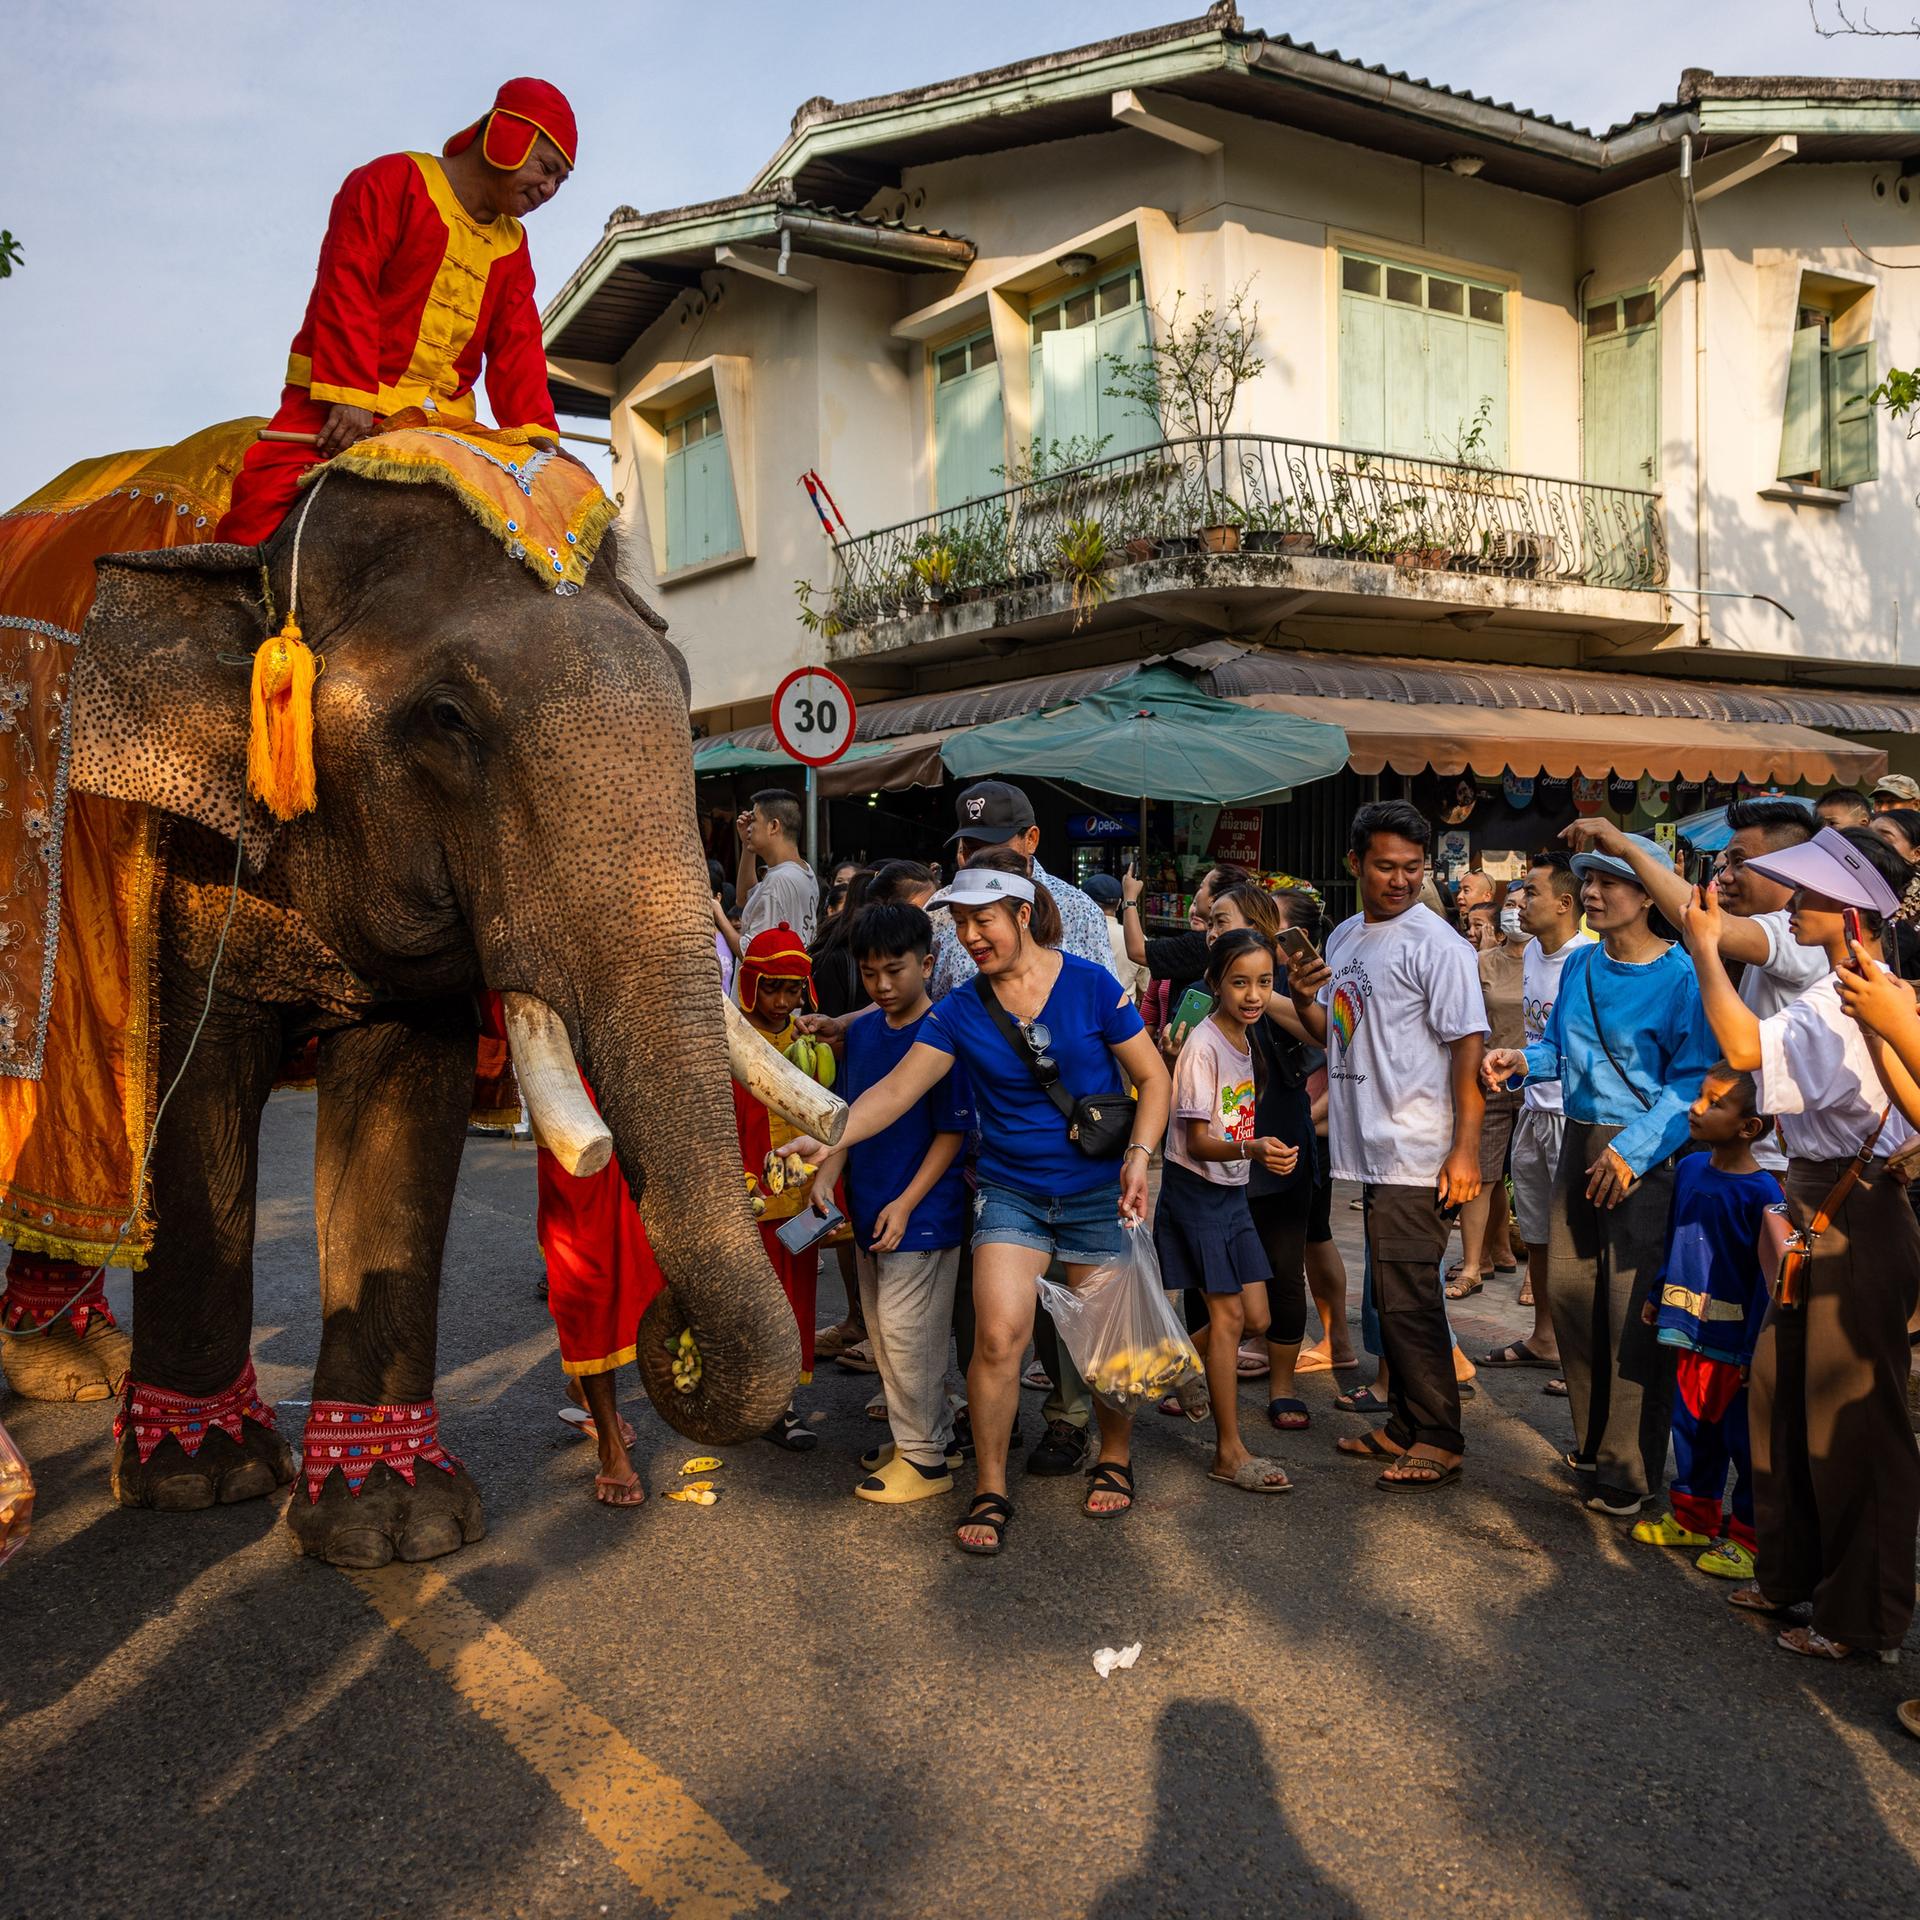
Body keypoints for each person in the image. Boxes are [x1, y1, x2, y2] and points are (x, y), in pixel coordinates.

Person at [785, 854, 1171, 1556]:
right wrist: (828, 1135)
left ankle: (1114, 1455)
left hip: (1096, 1189)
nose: (969, 936)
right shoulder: (961, 1009)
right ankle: (990, 1487)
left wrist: (1140, 1158)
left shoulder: (1090, 984)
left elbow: (1153, 1076)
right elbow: (895, 1091)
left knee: (1104, 1345)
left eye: (981, 920)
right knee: (997, 1339)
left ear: (1022, 914)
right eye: (960, 922)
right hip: (1010, 1192)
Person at [1683, 827, 1919, 1663]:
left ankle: (1861, 1616)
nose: (1795, 905)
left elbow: (1744, 1048)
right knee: (1784, 1394)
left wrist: (1705, 948)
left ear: (1854, 911)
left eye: (1812, 894)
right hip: (1823, 1203)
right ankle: (1793, 1575)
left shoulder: (1854, 994)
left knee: (1851, 1418)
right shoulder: (1843, 989)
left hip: (1855, 1212)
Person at [218, 79, 575, 544]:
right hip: (336, 406)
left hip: (444, 426)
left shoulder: (514, 245)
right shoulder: (392, 179)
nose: (549, 189)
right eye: (546, 168)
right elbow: (348, 283)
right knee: (257, 522)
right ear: (507, 137)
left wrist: (538, 438)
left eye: (560, 182)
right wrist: (350, 395)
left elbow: (518, 346)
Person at [1484, 834, 1715, 1518]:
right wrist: (1521, 1060)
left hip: (1646, 1156)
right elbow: (1558, 1047)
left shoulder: (1683, 977)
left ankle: (1627, 1468)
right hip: (1578, 1140)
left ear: (1647, 895)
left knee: (1630, 1314)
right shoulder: (1582, 964)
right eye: (1587, 880)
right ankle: (1591, 1443)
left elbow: (1692, 1083)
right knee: (1572, 1299)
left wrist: (1633, 1152)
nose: (1591, 892)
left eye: (1609, 881)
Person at [1287, 802, 1487, 1491]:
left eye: (1413, 867)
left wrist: (1465, 1151)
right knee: (1392, 1296)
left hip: (1418, 1148)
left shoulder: (1439, 946)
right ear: (1355, 864)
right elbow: (1335, 1033)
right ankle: (1404, 1425)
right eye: (1385, 866)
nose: (1400, 880)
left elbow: (1468, 1050)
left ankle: (1439, 1438)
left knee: (1409, 1300)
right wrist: (1304, 997)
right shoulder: (1345, 937)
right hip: (1370, 1145)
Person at [1564, 801, 1827, 1186]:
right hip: (1744, 1151)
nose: (1726, 877)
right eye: (1725, 864)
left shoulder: (1797, 937)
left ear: (1790, 869)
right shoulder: (1580, 962)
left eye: (1740, 863)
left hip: (1783, 1159)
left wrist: (1628, 850)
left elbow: (1705, 925)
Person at [811, 903, 972, 1504]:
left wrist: (906, 1203)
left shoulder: (943, 1034)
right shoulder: (861, 1033)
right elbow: (848, 1118)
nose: (881, 985)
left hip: (923, 1215)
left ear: (927, 965)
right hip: (871, 1211)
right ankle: (927, 1440)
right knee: (886, 1335)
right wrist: (827, 1176)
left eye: (895, 970)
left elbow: (952, 1135)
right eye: (869, 972)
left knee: (910, 1339)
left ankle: (924, 1460)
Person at [1158, 929, 1297, 1493]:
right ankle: (1229, 1451)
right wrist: (1253, 1149)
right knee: (1229, 1319)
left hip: (1231, 1189)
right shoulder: (1204, 1046)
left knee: (1257, 1319)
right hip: (1198, 1189)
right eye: (1240, 982)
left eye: (1263, 982)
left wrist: (1250, 1152)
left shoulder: (1245, 1037)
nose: (1254, 994)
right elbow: (1196, 1142)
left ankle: (1172, 1366)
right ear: (1214, 982)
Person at [1629, 1066, 1779, 1580]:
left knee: (1744, 1440)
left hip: (1735, 1345)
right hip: (1686, 1329)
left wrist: (1754, 1351)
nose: (1696, 1108)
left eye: (1715, 1103)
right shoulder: (1691, 1168)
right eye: (1700, 1096)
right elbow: (1675, 1236)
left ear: (1749, 1127)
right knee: (1691, 1426)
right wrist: (1658, 1293)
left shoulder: (1763, 1193)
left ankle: (1749, 1540)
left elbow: (1764, 1279)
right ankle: (1693, 1519)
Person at [1479, 851, 1590, 1380]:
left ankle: (1580, 1354)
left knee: (1575, 1242)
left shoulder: (1587, 960)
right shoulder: (1531, 957)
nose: (1519, 902)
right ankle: (1544, 1338)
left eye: (1531, 892)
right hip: (1533, 1109)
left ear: (1565, 903)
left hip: (1573, 1117)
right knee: (1540, 1235)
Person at [732, 926, 841, 1450]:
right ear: (750, 985)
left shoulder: (810, 1043)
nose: (781, 1002)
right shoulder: (730, 1039)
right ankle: (744, 1393)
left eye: (792, 990)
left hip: (798, 1196)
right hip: (746, 1196)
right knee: (746, 1298)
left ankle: (783, 1403)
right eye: (771, 988)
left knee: (795, 1296)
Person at [932, 782, 1118, 997]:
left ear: (1031, 839)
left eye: (996, 849)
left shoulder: (1078, 909)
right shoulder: (940, 908)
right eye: (972, 849)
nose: (982, 861)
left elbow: (1105, 1000)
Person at [1448, 889, 1526, 1301]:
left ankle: (1532, 1273)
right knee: (1483, 1173)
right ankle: (1473, 1265)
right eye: (1511, 905)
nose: (1518, 912)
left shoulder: (1559, 960)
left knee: (1532, 1178)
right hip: (1491, 1077)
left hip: (1539, 1081)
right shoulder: (1482, 962)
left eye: (1525, 902)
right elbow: (1469, 1022)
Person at [1118, 860, 1253, 1004]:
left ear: (1212, 901)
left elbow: (1138, 951)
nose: (1213, 936)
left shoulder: (1200, 944)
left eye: (1201, 887)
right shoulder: (1246, 942)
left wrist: (1130, 899)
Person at [735, 789, 819, 949]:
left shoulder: (779, 880)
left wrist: (718, 915)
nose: (749, 827)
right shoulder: (803, 870)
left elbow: (752, 952)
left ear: (773, 826)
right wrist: (746, 845)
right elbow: (744, 899)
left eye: (753, 820)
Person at [1085, 871, 1149, 1003]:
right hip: (1123, 1011)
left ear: (1085, 901)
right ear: (1119, 903)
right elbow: (1145, 988)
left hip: (1085, 1009)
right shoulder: (1138, 941)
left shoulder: (1075, 935)